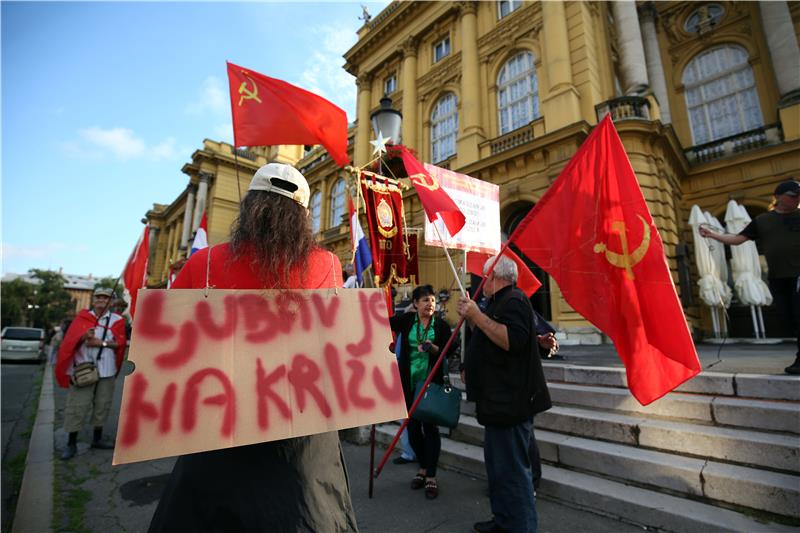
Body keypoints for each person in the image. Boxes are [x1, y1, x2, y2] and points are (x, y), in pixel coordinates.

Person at [148, 163, 358, 532]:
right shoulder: (326, 263)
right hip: (298, 429)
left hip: (217, 419)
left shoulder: (205, 262)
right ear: (305, 216)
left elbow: (166, 344)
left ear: (248, 207)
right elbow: (335, 345)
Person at [457, 256, 552, 533]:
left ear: (496, 277)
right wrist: (473, 318)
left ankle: (520, 526)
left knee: (512, 473)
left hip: (511, 403)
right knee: (499, 471)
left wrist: (477, 316)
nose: (481, 283)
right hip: (496, 403)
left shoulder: (514, 300)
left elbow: (512, 340)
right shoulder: (497, 303)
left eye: (484, 278)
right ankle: (503, 521)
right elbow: (490, 338)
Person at [699, 180, 800, 375]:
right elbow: (737, 239)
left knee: (799, 315)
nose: (796, 199)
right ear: (778, 197)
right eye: (792, 195)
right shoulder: (763, 221)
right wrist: (712, 235)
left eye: (798, 195)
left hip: (798, 276)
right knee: (788, 320)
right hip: (778, 278)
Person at [389, 284, 452, 500]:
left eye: (432, 300)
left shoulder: (442, 326)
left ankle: (431, 476)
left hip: (430, 386)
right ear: (415, 303)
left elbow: (451, 348)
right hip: (409, 384)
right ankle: (423, 468)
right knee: (413, 429)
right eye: (425, 300)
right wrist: (403, 311)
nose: (430, 304)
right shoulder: (407, 322)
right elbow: (385, 321)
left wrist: (434, 348)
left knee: (430, 429)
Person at [55, 287, 127, 460]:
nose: (102, 300)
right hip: (83, 369)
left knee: (102, 404)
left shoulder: (118, 320)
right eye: (98, 297)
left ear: (112, 302)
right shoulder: (82, 317)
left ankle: (97, 438)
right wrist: (82, 337)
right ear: (93, 300)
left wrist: (101, 343)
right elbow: (69, 341)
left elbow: (120, 344)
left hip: (106, 369)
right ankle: (71, 443)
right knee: (78, 406)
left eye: (106, 298)